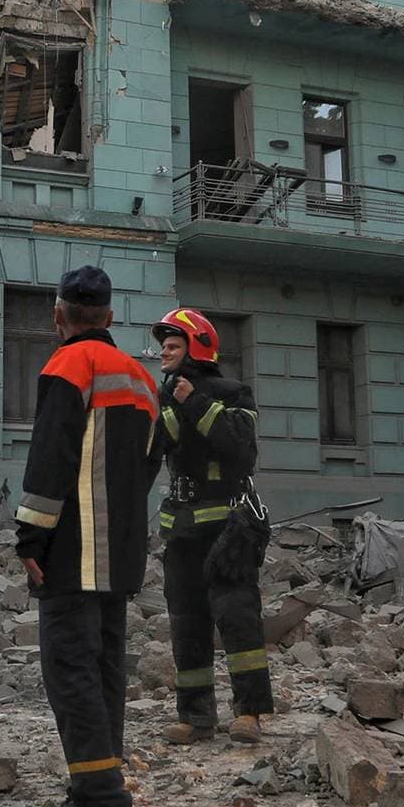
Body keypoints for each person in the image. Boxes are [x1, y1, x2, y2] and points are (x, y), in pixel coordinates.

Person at [13, 266, 160, 807]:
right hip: (119, 553)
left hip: (73, 551)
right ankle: (93, 790)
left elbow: (50, 456)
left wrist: (31, 537)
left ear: (58, 316)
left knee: (71, 675)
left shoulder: (69, 365)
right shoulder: (140, 378)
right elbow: (148, 464)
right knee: (103, 675)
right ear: (110, 316)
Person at [145, 307, 272, 746]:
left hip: (228, 530)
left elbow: (240, 449)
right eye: (164, 345)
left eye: (172, 345)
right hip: (181, 531)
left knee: (238, 619)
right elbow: (151, 453)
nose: (164, 352)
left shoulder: (233, 393)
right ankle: (196, 717)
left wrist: (193, 402)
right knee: (187, 624)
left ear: (196, 347)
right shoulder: (165, 396)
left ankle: (249, 713)